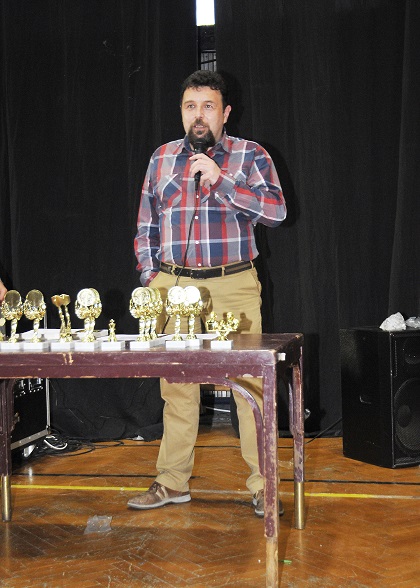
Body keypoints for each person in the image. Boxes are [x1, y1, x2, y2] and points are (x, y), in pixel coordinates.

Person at [131, 70, 286, 517]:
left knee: (250, 388)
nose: (198, 116)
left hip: (233, 283)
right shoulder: (161, 158)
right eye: (190, 107)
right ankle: (172, 481)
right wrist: (152, 277)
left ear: (225, 112)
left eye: (208, 107)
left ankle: (263, 486)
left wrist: (221, 181)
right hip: (173, 285)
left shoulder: (251, 155)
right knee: (177, 388)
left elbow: (276, 212)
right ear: (182, 112)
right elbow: (146, 225)